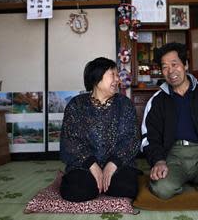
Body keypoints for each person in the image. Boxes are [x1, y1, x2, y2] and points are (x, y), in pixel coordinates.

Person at [141, 43, 198, 201]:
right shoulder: (157, 101)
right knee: (163, 188)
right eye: (165, 67)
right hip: (172, 155)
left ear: (186, 65)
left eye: (174, 64)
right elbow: (149, 138)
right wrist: (159, 161)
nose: (170, 71)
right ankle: (180, 179)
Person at [60, 57, 140, 202]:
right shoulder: (76, 105)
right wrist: (92, 164)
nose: (118, 80)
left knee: (128, 187)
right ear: (97, 77)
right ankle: (94, 182)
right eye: (113, 75)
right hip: (84, 166)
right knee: (77, 190)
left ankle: (103, 182)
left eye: (117, 75)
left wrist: (113, 163)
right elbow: (70, 139)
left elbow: (131, 138)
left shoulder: (125, 104)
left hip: (118, 165)